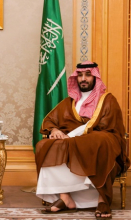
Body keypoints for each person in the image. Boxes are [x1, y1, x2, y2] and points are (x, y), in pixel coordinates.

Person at [35, 61, 130, 219]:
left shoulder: (107, 100)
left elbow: (108, 127)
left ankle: (102, 199)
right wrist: (55, 130)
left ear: (95, 77)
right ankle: (65, 198)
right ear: (76, 78)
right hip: (73, 142)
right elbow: (51, 120)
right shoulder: (70, 102)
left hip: (99, 141)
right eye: (79, 75)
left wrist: (74, 136)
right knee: (44, 145)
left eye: (87, 75)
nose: (83, 79)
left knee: (100, 140)